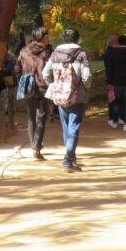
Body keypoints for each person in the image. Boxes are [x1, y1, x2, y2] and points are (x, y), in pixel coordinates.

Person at [42, 28, 92, 170]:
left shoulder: (55, 54)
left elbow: (45, 73)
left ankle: (71, 157)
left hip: (60, 95)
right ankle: (68, 159)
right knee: (74, 126)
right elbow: (87, 77)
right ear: (77, 39)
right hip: (77, 95)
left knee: (66, 128)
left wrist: (54, 85)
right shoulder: (81, 54)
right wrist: (86, 87)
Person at [13, 27, 52, 159]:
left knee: (31, 117)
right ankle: (36, 147)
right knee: (41, 117)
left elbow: (17, 68)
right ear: (42, 37)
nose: (49, 38)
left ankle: (34, 146)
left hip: (27, 85)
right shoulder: (47, 51)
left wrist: (21, 80)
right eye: (47, 36)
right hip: (42, 86)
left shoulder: (24, 50)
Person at [103, 34, 126, 131]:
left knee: (116, 102)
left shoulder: (113, 52)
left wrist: (109, 81)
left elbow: (110, 68)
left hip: (116, 81)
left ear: (118, 42)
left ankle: (114, 121)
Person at [102, 35, 120, 126]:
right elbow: (109, 68)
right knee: (113, 99)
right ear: (112, 42)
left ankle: (115, 117)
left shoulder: (113, 52)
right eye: (116, 41)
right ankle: (112, 118)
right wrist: (109, 81)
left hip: (115, 79)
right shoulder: (109, 52)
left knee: (116, 99)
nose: (118, 43)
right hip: (112, 79)